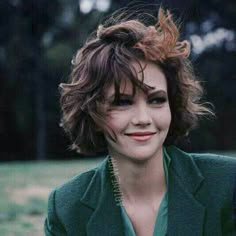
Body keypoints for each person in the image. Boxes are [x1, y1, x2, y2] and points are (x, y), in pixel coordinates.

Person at [44, 6, 236, 236]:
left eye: (157, 100)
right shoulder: (67, 207)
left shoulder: (227, 183)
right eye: (122, 102)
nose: (143, 119)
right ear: (93, 114)